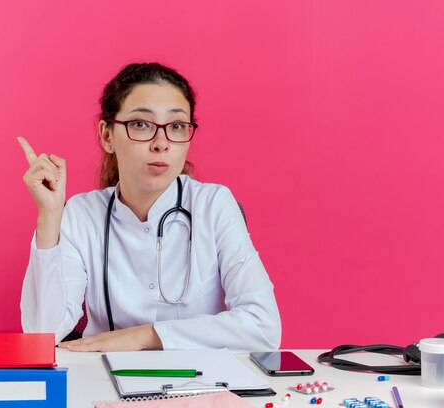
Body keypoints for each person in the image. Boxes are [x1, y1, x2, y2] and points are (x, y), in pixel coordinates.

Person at [18, 62, 281, 352]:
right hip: (102, 380)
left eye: (177, 127)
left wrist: (147, 335)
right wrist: (50, 216)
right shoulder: (81, 214)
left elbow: (263, 326)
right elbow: (43, 334)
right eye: (141, 124)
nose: (161, 143)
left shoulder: (214, 205)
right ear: (107, 136)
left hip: (199, 384)